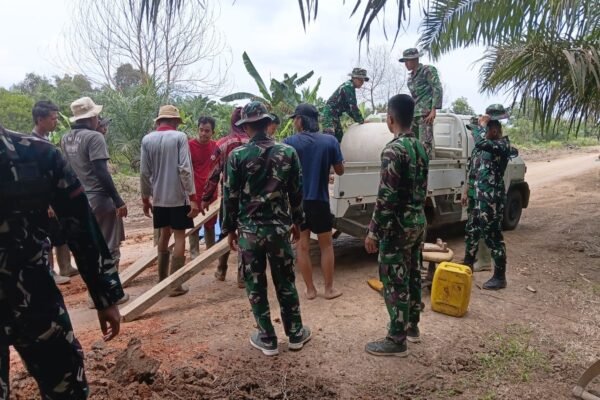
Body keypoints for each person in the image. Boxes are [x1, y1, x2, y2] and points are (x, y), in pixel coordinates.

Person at [0, 124, 123, 399]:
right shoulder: (38, 152)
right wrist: (105, 297)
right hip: (38, 302)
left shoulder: (40, 154)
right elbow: (82, 226)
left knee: (68, 390)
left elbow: (80, 225)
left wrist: (105, 296)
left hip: (38, 304)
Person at [223, 101, 311, 356]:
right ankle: (295, 334)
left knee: (255, 284)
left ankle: (267, 338)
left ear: (246, 126)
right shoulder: (288, 153)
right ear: (267, 123)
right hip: (279, 231)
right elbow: (296, 193)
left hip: (249, 233)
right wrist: (298, 222)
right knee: (286, 282)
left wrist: (229, 229)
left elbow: (229, 196)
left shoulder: (237, 156)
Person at [364, 94, 429, 357]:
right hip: (418, 222)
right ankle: (412, 326)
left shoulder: (393, 150)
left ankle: (396, 338)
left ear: (390, 119)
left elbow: (386, 197)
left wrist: (373, 231)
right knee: (412, 273)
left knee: (393, 279)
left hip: (398, 227)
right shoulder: (421, 147)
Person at [61, 97, 129, 306]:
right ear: (91, 117)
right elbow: (101, 171)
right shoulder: (94, 137)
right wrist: (118, 200)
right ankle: (111, 293)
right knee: (109, 247)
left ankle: (94, 295)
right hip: (100, 198)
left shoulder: (66, 138)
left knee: (91, 248)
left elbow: (67, 171)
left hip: (80, 200)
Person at [283, 103, 344, 300]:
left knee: (302, 246)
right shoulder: (330, 141)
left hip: (298, 202)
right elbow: (340, 170)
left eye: (295, 119)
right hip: (320, 200)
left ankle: (310, 290)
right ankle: (329, 289)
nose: (294, 123)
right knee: (326, 245)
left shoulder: (289, 142)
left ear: (300, 120)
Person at [140, 105, 199, 296]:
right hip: (178, 196)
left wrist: (145, 198)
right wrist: (192, 197)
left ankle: (162, 279)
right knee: (179, 237)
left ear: (159, 121)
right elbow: (185, 169)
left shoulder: (147, 140)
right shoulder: (179, 137)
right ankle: (175, 285)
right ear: (174, 121)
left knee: (164, 235)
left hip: (159, 197)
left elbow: (144, 172)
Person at [463, 105, 513, 290]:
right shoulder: (481, 148)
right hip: (477, 198)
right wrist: (467, 191)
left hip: (491, 200)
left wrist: (480, 127)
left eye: (486, 129)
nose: (480, 134)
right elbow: (473, 171)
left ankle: (500, 277)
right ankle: (467, 265)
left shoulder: (501, 145)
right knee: (471, 232)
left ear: (494, 130)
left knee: (493, 236)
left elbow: (480, 142)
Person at [31, 100, 78, 285]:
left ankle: (66, 266)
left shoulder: (46, 140)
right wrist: (48, 204)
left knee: (59, 234)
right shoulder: (33, 145)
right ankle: (50, 272)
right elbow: (37, 179)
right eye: (52, 118)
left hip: (55, 198)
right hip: (44, 202)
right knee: (48, 237)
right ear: (40, 119)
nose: (56, 122)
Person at [201, 107, 249, 287]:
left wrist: (206, 197)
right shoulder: (253, 143)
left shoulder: (222, 144)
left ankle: (221, 269)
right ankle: (242, 276)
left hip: (229, 197)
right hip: (250, 198)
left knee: (226, 230)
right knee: (245, 234)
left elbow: (214, 173)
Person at [399, 48, 443, 159]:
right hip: (414, 114)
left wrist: (434, 109)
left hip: (425, 114)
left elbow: (437, 88)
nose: (406, 64)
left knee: (425, 144)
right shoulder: (410, 79)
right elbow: (414, 98)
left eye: (408, 60)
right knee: (411, 143)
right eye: (404, 61)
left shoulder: (427, 70)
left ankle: (425, 166)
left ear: (416, 59)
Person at [188, 116, 218, 259]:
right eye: (201, 130)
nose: (203, 133)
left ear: (213, 132)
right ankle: (194, 254)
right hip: (194, 192)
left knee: (210, 223)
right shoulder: (189, 146)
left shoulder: (216, 147)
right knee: (193, 223)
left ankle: (210, 253)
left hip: (211, 193)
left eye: (207, 131)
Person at [322, 67, 369, 142]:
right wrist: (361, 120)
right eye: (360, 80)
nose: (362, 82)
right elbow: (353, 107)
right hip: (329, 114)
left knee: (339, 138)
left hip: (335, 115)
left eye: (363, 80)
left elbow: (349, 109)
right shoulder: (348, 87)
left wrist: (358, 120)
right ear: (354, 78)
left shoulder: (350, 87)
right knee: (329, 138)